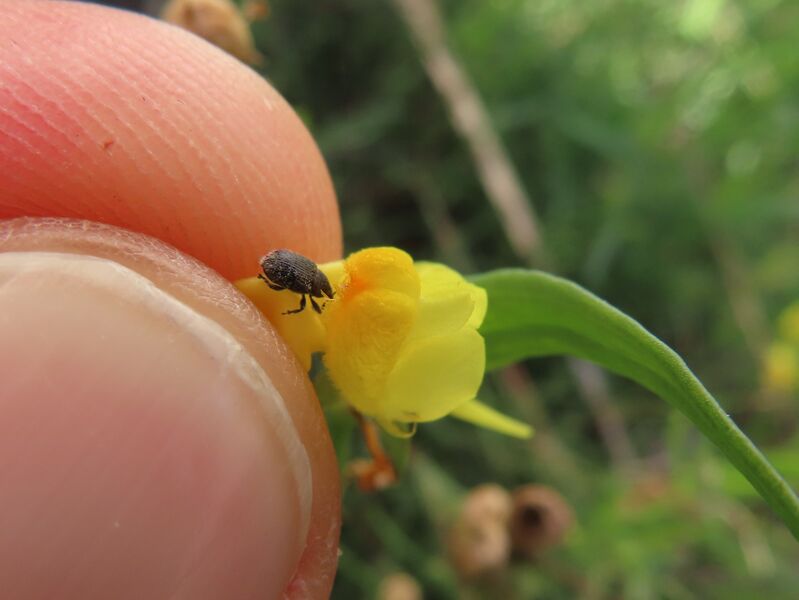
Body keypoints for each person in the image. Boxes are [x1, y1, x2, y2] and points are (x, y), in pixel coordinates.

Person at [0, 1, 341, 597]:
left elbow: (290, 274)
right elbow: (289, 276)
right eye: (315, 291)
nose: (315, 292)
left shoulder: (307, 279)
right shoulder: (306, 281)